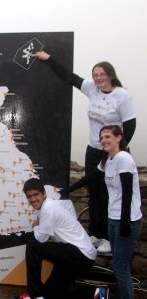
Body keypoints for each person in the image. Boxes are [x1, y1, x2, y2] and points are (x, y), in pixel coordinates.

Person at [33, 51, 137, 254]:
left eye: (102, 74)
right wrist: (49, 59)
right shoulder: (92, 89)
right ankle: (96, 233)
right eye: (95, 74)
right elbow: (69, 77)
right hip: (94, 149)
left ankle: (108, 236)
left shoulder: (122, 96)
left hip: (113, 151)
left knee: (109, 194)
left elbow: (130, 126)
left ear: (110, 75)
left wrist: (117, 150)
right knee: (94, 193)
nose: (98, 78)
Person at [11, 178, 97, 299]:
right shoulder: (50, 205)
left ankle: (34, 296)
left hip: (80, 254)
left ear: (44, 193)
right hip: (76, 254)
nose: (33, 199)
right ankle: (96, 296)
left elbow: (41, 239)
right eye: (29, 196)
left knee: (33, 246)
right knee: (51, 297)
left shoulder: (48, 208)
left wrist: (36, 226)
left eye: (36, 195)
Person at [94, 125, 142, 299]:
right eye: (101, 137)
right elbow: (91, 177)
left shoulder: (124, 159)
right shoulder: (108, 160)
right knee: (118, 265)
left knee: (121, 268)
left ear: (119, 138)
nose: (104, 140)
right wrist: (68, 189)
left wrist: (123, 223)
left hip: (126, 221)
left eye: (108, 137)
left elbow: (128, 194)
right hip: (114, 219)